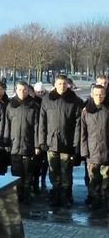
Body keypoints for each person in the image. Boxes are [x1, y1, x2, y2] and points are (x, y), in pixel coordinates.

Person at [39, 74, 81, 208]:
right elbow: (42, 122)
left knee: (66, 172)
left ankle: (66, 196)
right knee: (53, 171)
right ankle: (55, 194)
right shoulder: (47, 100)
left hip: (67, 143)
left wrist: (75, 144)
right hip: (51, 143)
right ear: (54, 85)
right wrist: (42, 141)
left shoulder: (74, 100)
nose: (62, 86)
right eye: (59, 84)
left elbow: (78, 125)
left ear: (68, 84)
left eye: (64, 84)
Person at [4, 82, 40, 203]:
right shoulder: (11, 105)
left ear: (28, 91)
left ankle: (27, 194)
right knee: (16, 173)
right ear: (16, 90)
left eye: (24, 90)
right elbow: (6, 125)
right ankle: (17, 195)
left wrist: (37, 145)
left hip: (28, 144)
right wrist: (6, 141)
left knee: (28, 173)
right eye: (19, 90)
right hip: (14, 145)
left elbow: (37, 127)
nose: (22, 92)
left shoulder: (33, 106)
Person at [81, 85, 109, 211]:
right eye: (97, 94)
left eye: (102, 94)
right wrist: (84, 151)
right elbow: (82, 133)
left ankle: (104, 200)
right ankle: (95, 200)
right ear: (92, 95)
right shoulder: (86, 111)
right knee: (93, 179)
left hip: (106, 151)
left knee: (106, 179)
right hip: (92, 151)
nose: (99, 96)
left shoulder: (107, 109)